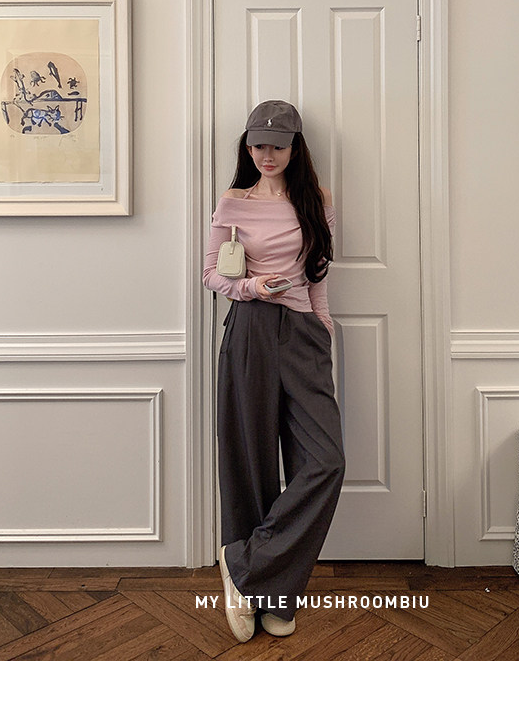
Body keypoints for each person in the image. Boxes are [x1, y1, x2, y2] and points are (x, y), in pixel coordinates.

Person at [203, 100, 345, 641]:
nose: (268, 155)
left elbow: (318, 272)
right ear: (247, 147)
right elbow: (211, 273)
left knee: (325, 461)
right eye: (259, 145)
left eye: (278, 146)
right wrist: (250, 287)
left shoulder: (316, 200)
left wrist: (323, 327)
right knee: (251, 457)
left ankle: (247, 567)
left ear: (294, 148)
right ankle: (271, 596)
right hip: (251, 328)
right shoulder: (233, 202)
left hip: (303, 333)